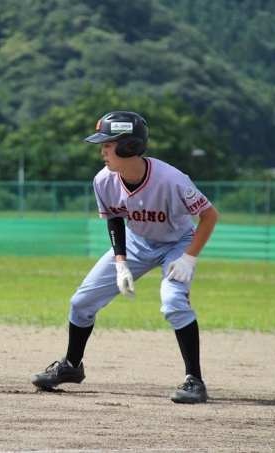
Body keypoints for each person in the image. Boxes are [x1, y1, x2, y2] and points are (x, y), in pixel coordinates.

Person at [31, 111, 219, 404]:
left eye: (108, 144)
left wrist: (188, 258)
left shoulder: (171, 179)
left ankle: (194, 381)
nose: (102, 151)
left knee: (173, 302)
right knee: (81, 302)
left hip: (177, 243)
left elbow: (209, 216)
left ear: (129, 146)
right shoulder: (103, 180)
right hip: (135, 242)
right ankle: (71, 367)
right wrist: (121, 263)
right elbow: (115, 219)